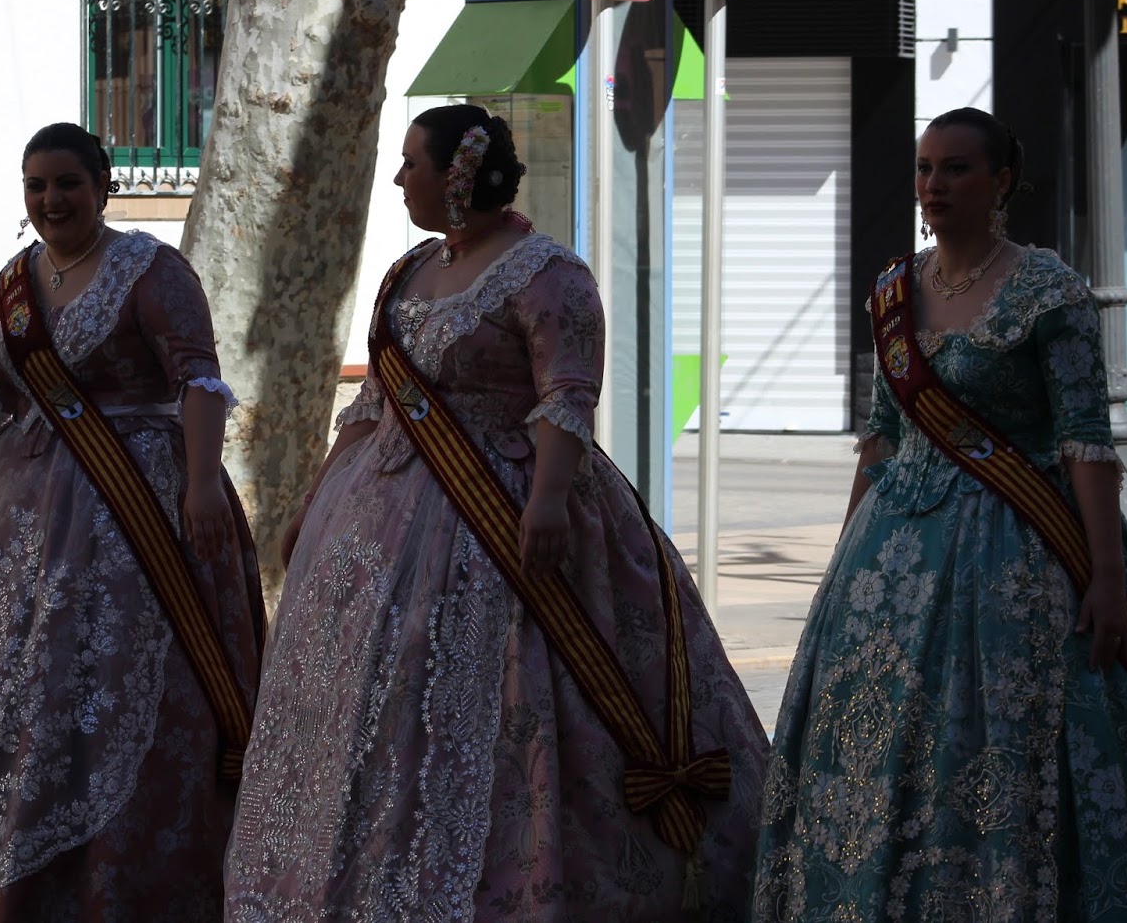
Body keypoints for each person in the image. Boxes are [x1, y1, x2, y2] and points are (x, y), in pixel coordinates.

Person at [222, 104, 768, 920]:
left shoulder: (549, 273)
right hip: (381, 512)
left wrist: (546, 502)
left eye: (412, 164)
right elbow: (374, 403)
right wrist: (314, 503)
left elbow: (567, 396)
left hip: (509, 509)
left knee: (518, 699)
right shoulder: (407, 273)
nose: (399, 179)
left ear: (458, 176)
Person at [750, 107, 1127, 921]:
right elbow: (881, 436)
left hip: (1021, 552)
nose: (934, 184)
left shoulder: (1046, 290)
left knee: (1009, 739)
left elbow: (1085, 441)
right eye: (925, 168)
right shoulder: (893, 291)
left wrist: (1105, 577)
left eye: (956, 168)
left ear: (1002, 182)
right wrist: (842, 565)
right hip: (890, 556)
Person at [0, 122, 265, 922]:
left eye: (66, 184)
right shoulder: (18, 280)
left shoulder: (152, 270)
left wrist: (199, 486)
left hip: (136, 503)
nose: (51, 200)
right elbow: (3, 396)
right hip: (18, 506)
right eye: (36, 186)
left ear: (103, 187)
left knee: (109, 682)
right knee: (12, 694)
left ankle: (117, 880)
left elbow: (199, 381)